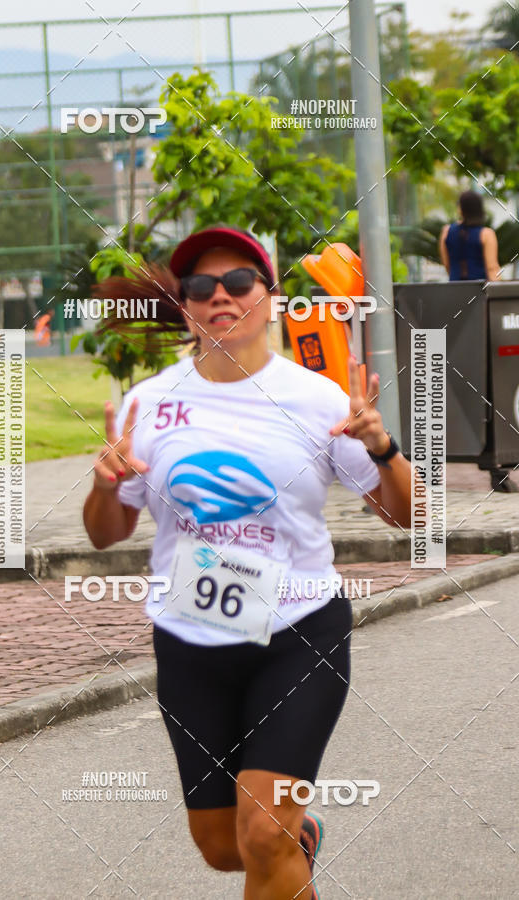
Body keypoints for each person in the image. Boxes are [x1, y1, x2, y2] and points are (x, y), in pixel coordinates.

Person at [83, 226, 413, 899]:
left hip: (298, 636)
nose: (220, 298)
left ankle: (285, 836)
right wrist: (104, 484)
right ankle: (300, 840)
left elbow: (407, 514)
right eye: (201, 287)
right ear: (186, 305)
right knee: (224, 848)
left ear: (272, 298)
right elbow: (105, 534)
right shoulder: (149, 402)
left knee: (262, 832)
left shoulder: (318, 399)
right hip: (190, 641)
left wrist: (383, 449)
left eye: (239, 283)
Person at [439, 193, 517, 492]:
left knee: (459, 370)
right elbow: (492, 270)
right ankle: (495, 462)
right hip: (481, 303)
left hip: (452, 302)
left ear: (460, 208)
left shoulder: (446, 233)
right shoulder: (486, 234)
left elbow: (448, 268)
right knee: (490, 375)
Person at [438, 189, 500, 283]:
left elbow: (447, 264)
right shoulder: (486, 234)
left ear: (461, 209)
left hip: (454, 287)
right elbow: (492, 268)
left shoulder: (446, 231)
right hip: (480, 290)